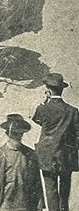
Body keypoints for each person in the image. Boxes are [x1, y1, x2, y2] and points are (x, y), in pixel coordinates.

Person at [32, 73, 79, 211]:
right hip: (65, 157)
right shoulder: (73, 111)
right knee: (65, 191)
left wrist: (46, 102)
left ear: (48, 91)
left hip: (47, 157)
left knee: (51, 191)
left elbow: (36, 119)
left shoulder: (42, 109)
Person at [0, 114, 42, 211]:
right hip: (5, 205)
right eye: (14, 134)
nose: (18, 137)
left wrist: (39, 206)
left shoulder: (30, 154)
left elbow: (37, 182)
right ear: (8, 134)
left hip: (26, 205)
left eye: (20, 134)